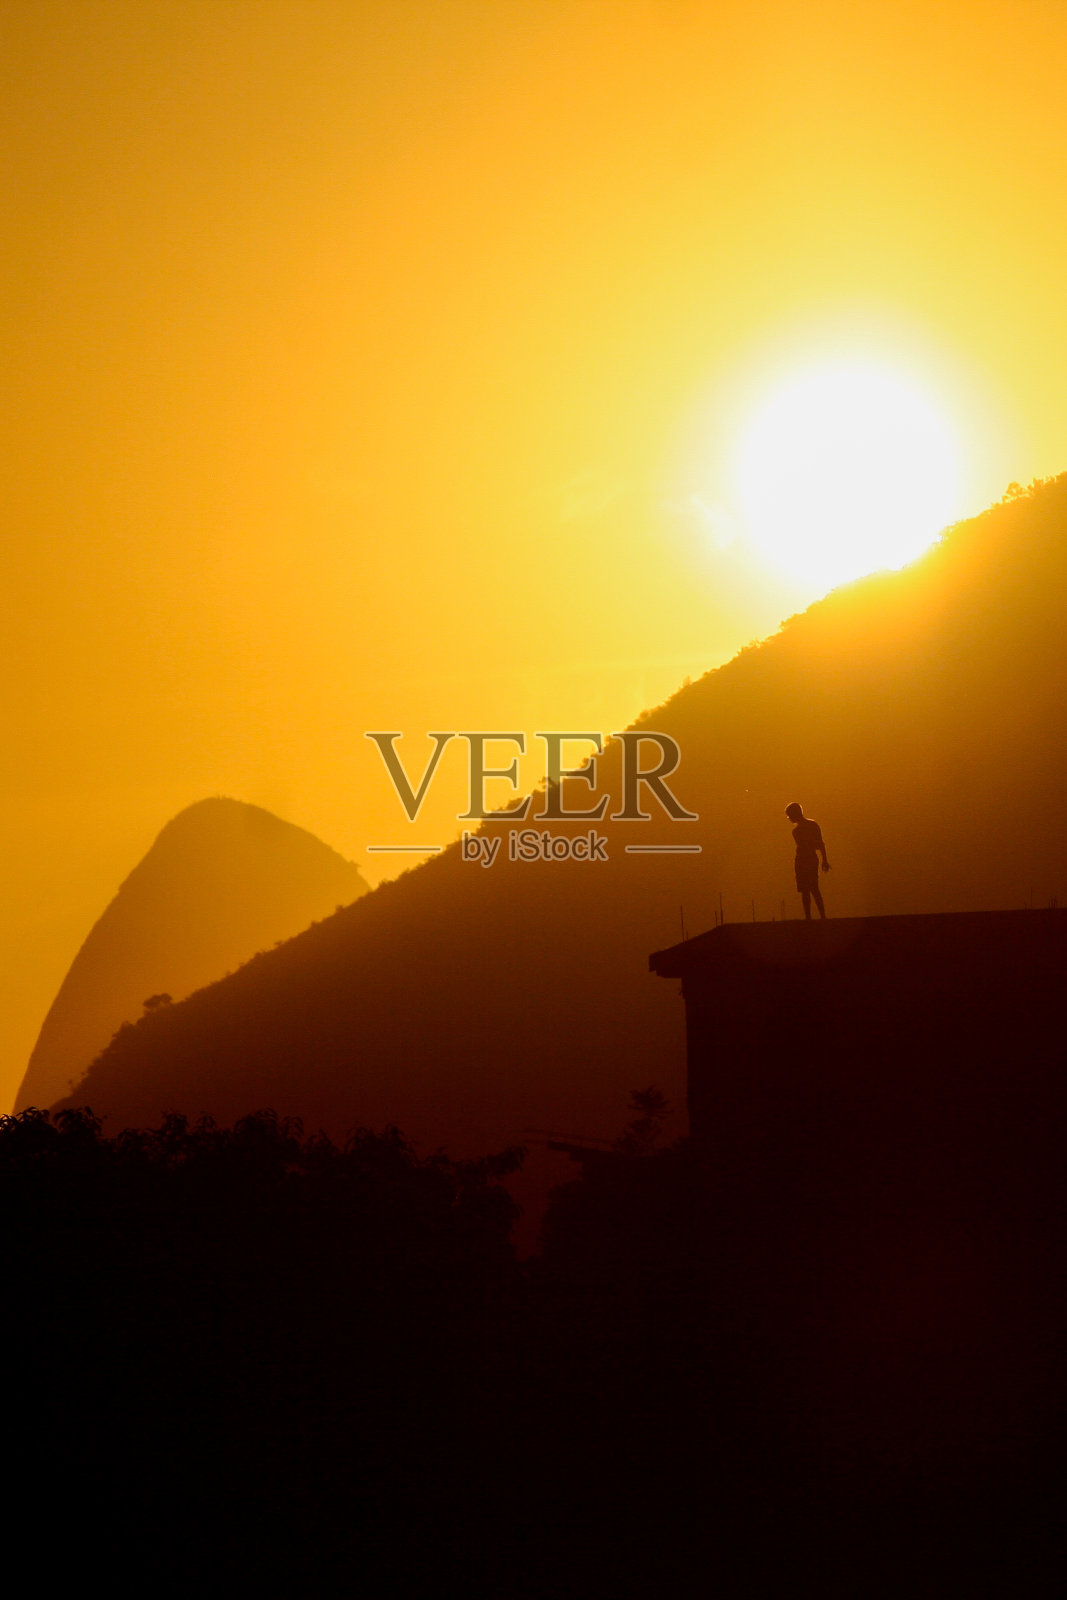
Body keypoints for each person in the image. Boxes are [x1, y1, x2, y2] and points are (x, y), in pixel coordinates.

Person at [785, 802, 830, 920]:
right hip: (807, 859)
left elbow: (818, 843)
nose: (789, 818)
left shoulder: (797, 831)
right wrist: (824, 859)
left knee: (809, 889)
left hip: (805, 859)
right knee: (811, 888)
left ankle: (811, 917)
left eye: (789, 815)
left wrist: (824, 860)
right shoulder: (811, 825)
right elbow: (820, 844)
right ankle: (818, 916)